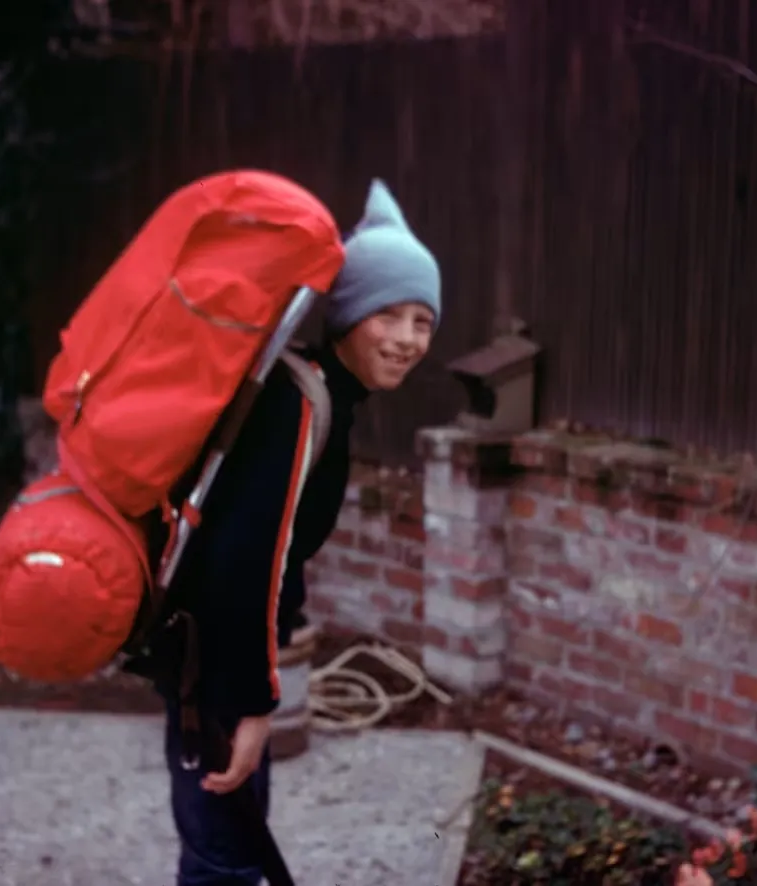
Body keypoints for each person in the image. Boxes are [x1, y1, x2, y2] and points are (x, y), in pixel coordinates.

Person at [143, 178, 442, 885]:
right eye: (389, 314)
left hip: (203, 663)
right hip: (210, 674)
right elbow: (249, 564)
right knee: (227, 866)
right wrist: (251, 707)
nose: (406, 339)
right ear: (347, 312)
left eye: (423, 321)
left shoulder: (314, 395)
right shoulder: (300, 404)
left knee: (222, 854)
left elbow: (270, 559)